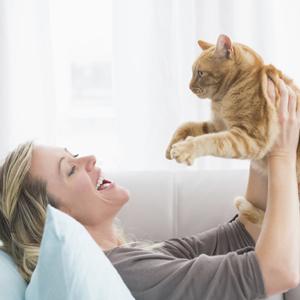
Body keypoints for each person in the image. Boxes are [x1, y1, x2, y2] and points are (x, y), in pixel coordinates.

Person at [0, 78, 299, 300]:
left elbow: (244, 233)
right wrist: (281, 155)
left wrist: (263, 136)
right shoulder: (128, 271)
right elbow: (279, 271)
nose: (89, 159)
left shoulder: (130, 257)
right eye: (70, 169)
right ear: (54, 217)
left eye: (74, 153)